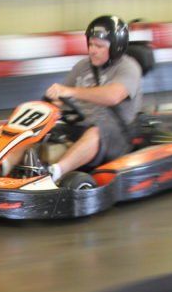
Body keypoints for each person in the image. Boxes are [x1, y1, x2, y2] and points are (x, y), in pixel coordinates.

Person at [43, 14, 143, 183]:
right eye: (90, 44)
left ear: (115, 47)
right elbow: (62, 97)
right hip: (80, 124)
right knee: (41, 122)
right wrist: (53, 102)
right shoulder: (82, 66)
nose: (92, 50)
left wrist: (71, 92)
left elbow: (113, 96)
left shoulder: (129, 67)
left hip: (116, 134)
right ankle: (3, 166)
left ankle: (55, 173)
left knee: (97, 129)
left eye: (99, 46)